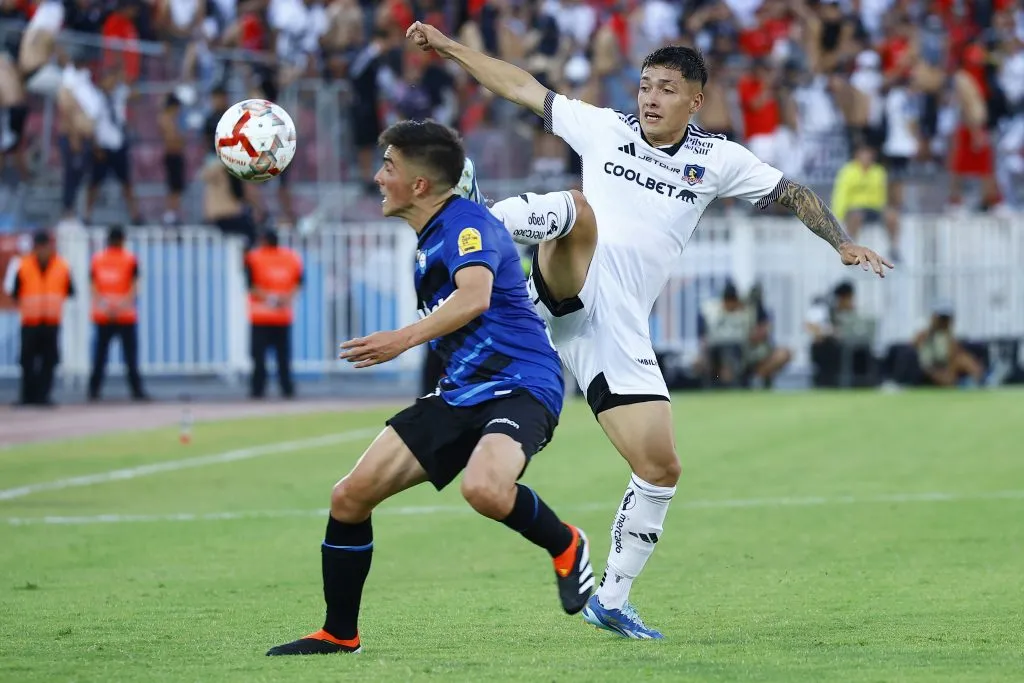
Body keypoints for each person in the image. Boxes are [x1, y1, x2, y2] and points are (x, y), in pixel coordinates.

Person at [407, 21, 892, 639]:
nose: (650, 99)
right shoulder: (605, 130)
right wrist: (449, 47)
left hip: (616, 326)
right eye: (644, 86)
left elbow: (791, 191)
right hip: (562, 285)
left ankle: (612, 596)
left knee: (660, 467)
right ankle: (481, 224)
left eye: (666, 89)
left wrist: (842, 242)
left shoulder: (717, 159)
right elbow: (522, 87)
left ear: (695, 100)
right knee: (574, 211)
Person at [266, 120, 593, 656]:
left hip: (521, 384)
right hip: (461, 390)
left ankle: (566, 543)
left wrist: (401, 340)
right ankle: (339, 633)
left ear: (420, 185)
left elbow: (475, 297)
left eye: (389, 167)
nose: (377, 177)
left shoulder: (468, 225)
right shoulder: (432, 230)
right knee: (349, 497)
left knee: (484, 490)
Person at [7, 231, 74, 406]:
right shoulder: (23, 265)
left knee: (49, 360)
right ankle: (27, 396)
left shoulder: (62, 266)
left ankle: (43, 396)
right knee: (27, 361)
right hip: (30, 321)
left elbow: (69, 290)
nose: (41, 250)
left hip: (51, 321)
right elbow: (15, 292)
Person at [87, 225, 147, 401]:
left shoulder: (97, 259)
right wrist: (121, 305)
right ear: (122, 240)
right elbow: (135, 286)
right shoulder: (130, 259)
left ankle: (93, 391)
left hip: (103, 313)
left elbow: (93, 286)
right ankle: (137, 391)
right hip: (125, 314)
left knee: (100, 356)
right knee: (130, 357)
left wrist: (105, 305)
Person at [243, 228, 303, 399]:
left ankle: (257, 390)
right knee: (283, 357)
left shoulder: (254, 257)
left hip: (260, 316)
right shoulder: (291, 257)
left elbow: (251, 285)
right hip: (282, 316)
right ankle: (287, 389)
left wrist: (270, 299)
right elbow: (298, 283)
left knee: (258, 358)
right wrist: (284, 299)